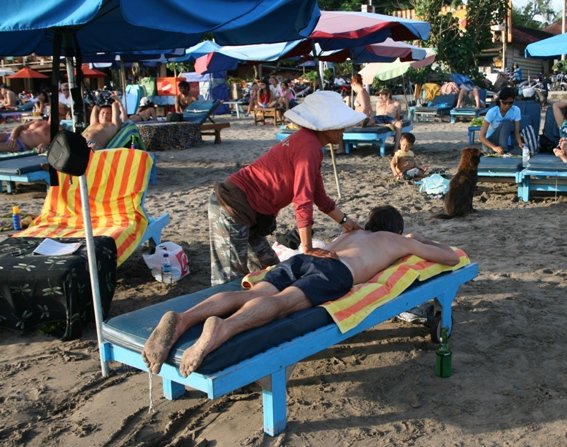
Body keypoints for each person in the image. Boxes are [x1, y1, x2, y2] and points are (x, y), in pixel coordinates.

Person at [142, 205, 460, 377]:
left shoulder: (353, 233)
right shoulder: (395, 241)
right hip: (336, 272)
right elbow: (450, 257)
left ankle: (184, 318)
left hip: (306, 259)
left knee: (254, 295)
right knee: (282, 304)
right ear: (396, 229)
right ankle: (224, 327)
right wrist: (419, 241)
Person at [208, 91, 365, 286]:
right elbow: (303, 199)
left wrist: (345, 221)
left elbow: (318, 195)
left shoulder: (311, 143)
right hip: (232, 205)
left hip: (252, 212)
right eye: (340, 126)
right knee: (230, 278)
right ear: (326, 126)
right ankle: (218, 314)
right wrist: (307, 247)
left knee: (270, 268)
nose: (343, 130)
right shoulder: (308, 148)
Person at [479, 86, 524, 155]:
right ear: (500, 101)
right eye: (505, 103)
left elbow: (516, 132)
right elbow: (481, 136)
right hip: (490, 142)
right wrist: (494, 147)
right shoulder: (492, 112)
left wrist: (520, 144)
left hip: (504, 142)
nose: (507, 105)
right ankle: (503, 151)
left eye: (510, 103)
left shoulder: (516, 110)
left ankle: (503, 150)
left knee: (522, 151)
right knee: (506, 122)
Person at [374, 88, 404, 152]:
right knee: (368, 120)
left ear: (388, 95)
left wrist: (396, 122)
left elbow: (398, 117)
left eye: (382, 95)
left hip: (390, 119)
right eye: (379, 95)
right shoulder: (378, 103)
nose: (380, 97)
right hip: (379, 118)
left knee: (399, 124)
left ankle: (395, 148)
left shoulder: (396, 104)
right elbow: (377, 115)